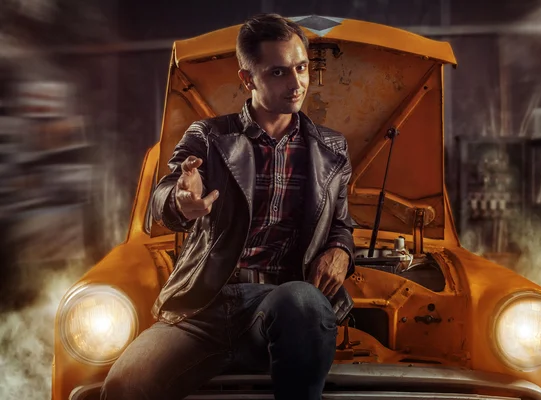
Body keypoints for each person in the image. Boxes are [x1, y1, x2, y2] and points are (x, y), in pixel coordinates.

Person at [101, 13, 355, 400]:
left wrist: (340, 249)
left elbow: (341, 222)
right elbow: (163, 196)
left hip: (283, 302)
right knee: (123, 386)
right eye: (278, 73)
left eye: (301, 68)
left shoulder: (332, 150)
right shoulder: (208, 136)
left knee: (304, 301)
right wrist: (182, 201)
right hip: (206, 306)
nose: (296, 83)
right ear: (248, 79)